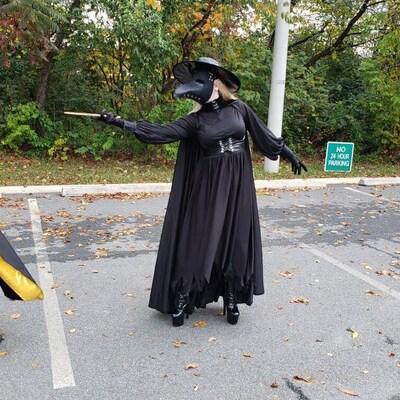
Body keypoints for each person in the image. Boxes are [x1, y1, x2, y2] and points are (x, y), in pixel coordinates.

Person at [94, 57, 307, 327]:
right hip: (209, 187)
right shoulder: (195, 121)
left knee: (237, 239)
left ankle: (231, 296)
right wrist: (119, 122)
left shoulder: (239, 109)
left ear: (217, 85)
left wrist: (290, 155)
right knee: (199, 240)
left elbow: (264, 135)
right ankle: (183, 295)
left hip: (238, 185)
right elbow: (161, 133)